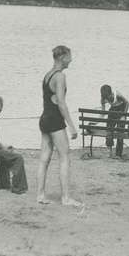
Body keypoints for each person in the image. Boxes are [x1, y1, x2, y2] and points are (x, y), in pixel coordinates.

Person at [36, 45, 82, 206]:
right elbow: (61, 103)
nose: (71, 59)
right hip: (55, 120)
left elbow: (52, 100)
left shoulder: (48, 75)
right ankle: (66, 198)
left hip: (44, 118)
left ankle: (40, 195)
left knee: (44, 158)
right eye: (69, 56)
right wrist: (71, 125)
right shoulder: (60, 76)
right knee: (64, 157)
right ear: (62, 57)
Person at [99, 85, 129, 159]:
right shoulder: (103, 99)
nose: (107, 98)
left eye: (108, 96)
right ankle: (110, 152)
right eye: (106, 97)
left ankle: (118, 154)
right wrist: (99, 118)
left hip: (121, 110)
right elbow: (103, 112)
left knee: (120, 132)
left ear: (111, 93)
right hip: (112, 110)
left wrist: (123, 116)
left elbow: (127, 103)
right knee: (109, 130)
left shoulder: (117, 94)